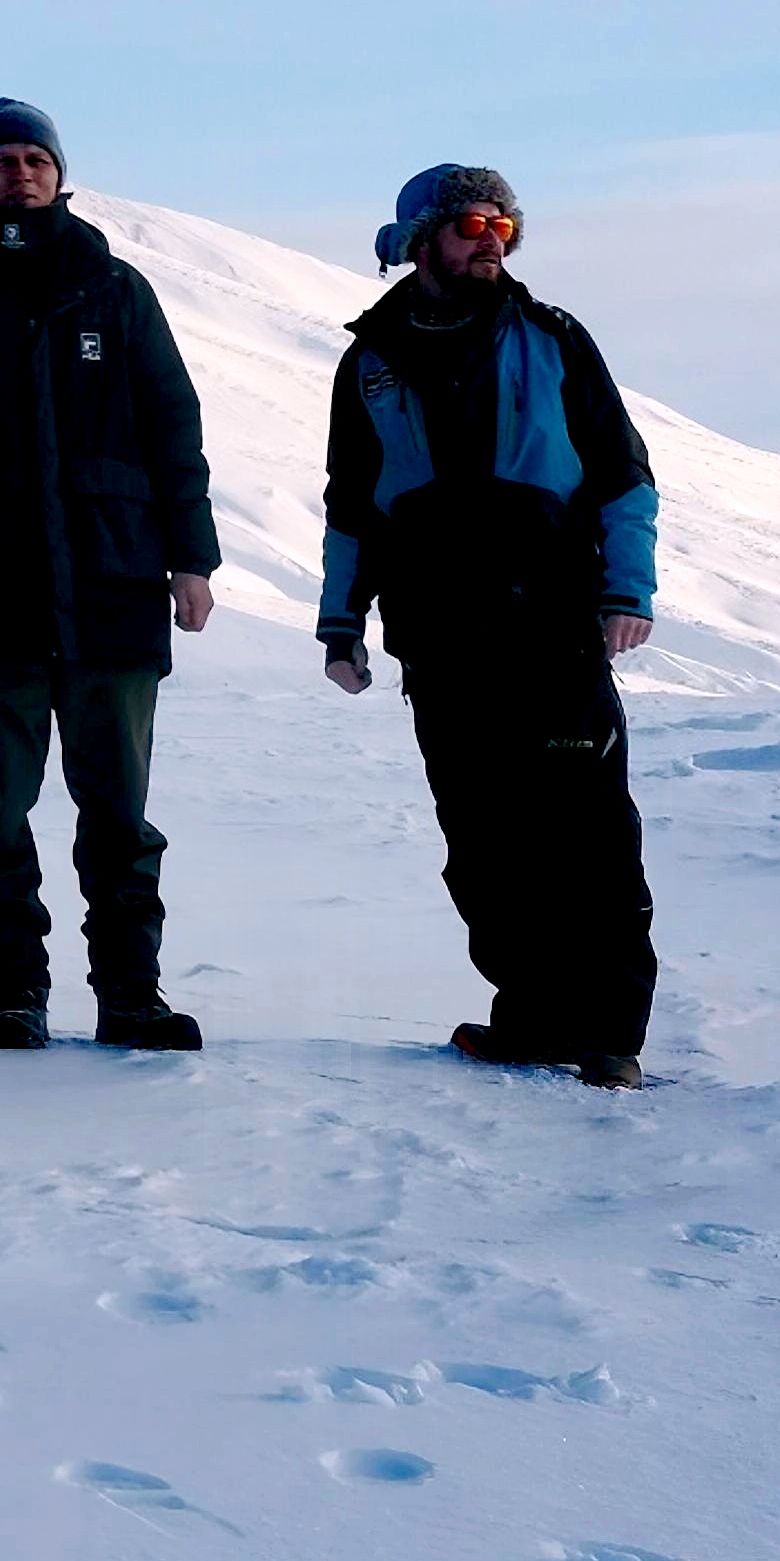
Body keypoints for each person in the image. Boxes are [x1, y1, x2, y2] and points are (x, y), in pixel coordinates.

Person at [0, 98, 220, 1053]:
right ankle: (15, 995)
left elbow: (172, 429)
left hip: (113, 592)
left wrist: (193, 558)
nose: (19, 174)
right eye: (2, 160)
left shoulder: (117, 291)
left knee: (120, 819)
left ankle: (130, 997)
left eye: (34, 158)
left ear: (60, 173)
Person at [319, 164, 662, 1087]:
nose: (490, 238)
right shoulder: (371, 363)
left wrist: (626, 592)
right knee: (481, 841)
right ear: (420, 239)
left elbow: (624, 474)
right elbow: (353, 505)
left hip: (552, 629)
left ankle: (607, 1037)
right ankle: (531, 1018)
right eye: (472, 222)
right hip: (439, 639)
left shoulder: (553, 340)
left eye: (504, 225)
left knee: (585, 833)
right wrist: (340, 622)